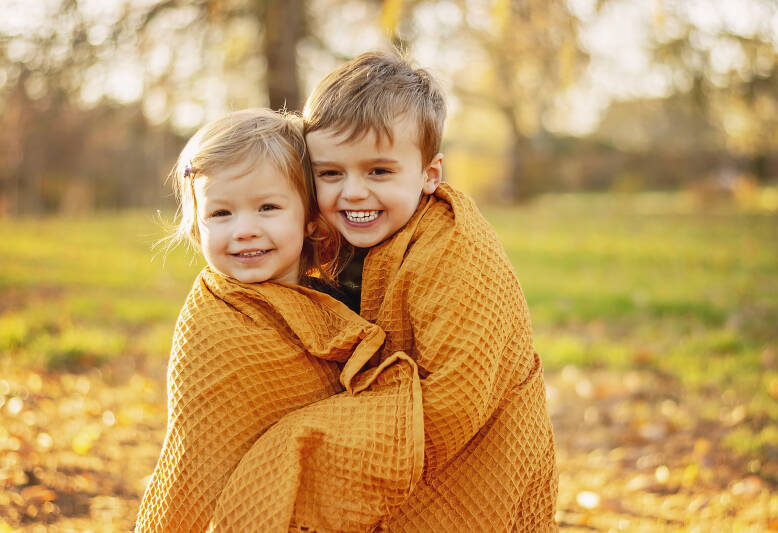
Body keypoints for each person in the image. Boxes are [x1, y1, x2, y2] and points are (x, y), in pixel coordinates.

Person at [211, 51, 558, 532]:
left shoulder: (455, 249)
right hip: (381, 437)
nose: (353, 193)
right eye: (331, 173)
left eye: (378, 172)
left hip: (475, 452)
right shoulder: (324, 240)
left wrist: (311, 448)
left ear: (429, 175)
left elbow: (460, 393)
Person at [135, 108, 406, 532]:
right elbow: (195, 456)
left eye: (267, 207)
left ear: (310, 220)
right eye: (221, 214)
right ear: (196, 226)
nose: (244, 229)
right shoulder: (212, 321)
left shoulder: (343, 303)